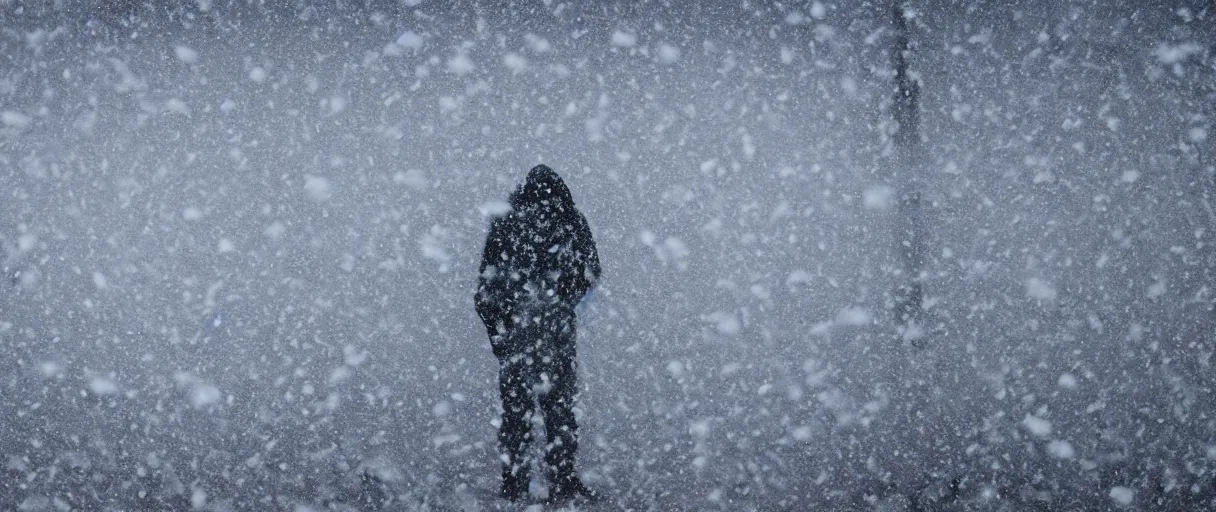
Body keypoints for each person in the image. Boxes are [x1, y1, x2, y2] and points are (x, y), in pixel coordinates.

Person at [475, 164, 601, 502]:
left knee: (516, 412)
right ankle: (563, 480)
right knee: (559, 410)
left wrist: (499, 334)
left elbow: (486, 288)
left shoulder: (506, 223)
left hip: (516, 333)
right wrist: (563, 302)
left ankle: (514, 484)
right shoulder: (570, 219)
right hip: (555, 331)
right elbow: (591, 271)